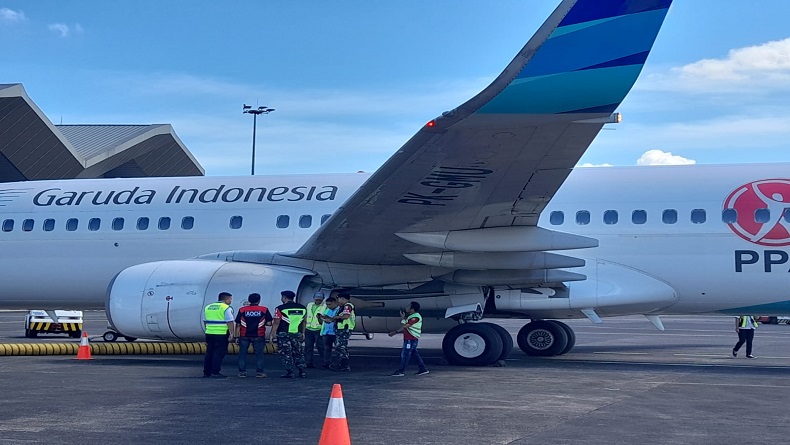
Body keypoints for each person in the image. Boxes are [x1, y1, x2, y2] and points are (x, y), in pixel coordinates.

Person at [269, 290, 308, 378]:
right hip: (297, 333)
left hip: (284, 334)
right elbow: (304, 321)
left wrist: (272, 334)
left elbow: (276, 322)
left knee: (286, 353)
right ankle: (302, 371)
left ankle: (290, 372)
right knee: (298, 352)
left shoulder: (280, 308)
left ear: (284, 298)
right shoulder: (302, 308)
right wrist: (303, 332)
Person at [235, 292, 273, 378]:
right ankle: (260, 372)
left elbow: (238, 324)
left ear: (249, 300)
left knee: (242, 354)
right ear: (259, 300)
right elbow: (269, 323)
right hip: (258, 335)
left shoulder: (242, 310)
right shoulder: (264, 310)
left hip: (244, 335)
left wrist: (236, 336)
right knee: (259, 355)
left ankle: (242, 372)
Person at [388, 301, 429, 377]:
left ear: (412, 309)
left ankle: (401, 371)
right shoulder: (412, 316)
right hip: (410, 338)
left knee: (405, 355)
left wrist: (395, 331)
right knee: (414, 354)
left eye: (408, 306)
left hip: (411, 339)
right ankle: (423, 369)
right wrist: (403, 318)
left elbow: (406, 326)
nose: (406, 308)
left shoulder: (415, 317)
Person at [202, 292, 235, 378]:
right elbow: (229, 322)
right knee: (218, 353)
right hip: (221, 333)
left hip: (209, 333)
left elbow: (205, 321)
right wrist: (232, 334)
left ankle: (207, 372)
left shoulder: (208, 307)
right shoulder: (226, 308)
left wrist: (207, 330)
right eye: (230, 299)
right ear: (226, 299)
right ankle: (215, 371)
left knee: (209, 352)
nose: (231, 301)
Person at [329, 292, 355, 372]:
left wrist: (336, 317)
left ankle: (344, 365)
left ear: (343, 298)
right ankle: (342, 364)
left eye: (339, 299)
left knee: (340, 347)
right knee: (342, 347)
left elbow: (346, 316)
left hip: (344, 329)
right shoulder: (343, 307)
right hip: (341, 328)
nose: (338, 300)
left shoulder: (347, 306)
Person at [304, 291, 326, 368]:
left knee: (321, 347)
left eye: (320, 299)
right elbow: (306, 316)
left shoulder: (325, 306)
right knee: (308, 347)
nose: (318, 301)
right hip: (309, 328)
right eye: (317, 299)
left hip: (319, 329)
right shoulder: (309, 305)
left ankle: (325, 362)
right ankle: (308, 362)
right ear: (314, 298)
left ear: (323, 299)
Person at [318, 296, 340, 369]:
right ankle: (326, 363)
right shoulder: (327, 310)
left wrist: (330, 319)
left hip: (335, 332)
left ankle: (339, 363)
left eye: (329, 304)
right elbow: (323, 321)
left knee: (339, 349)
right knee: (327, 349)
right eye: (327, 304)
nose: (328, 306)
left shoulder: (339, 310)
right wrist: (320, 318)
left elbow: (337, 319)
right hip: (327, 332)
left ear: (335, 303)